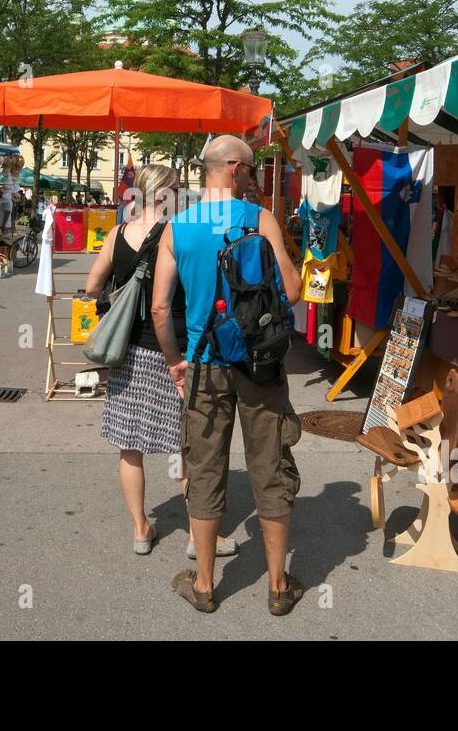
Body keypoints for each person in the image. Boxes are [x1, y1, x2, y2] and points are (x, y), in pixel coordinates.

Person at [152, 135, 304, 616]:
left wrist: (177, 359)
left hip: (203, 365)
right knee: (270, 467)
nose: (255, 177)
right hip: (259, 365)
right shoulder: (260, 220)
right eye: (253, 169)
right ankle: (278, 587)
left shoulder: (177, 227)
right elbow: (295, 292)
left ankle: (203, 584)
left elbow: (159, 308)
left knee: (205, 469)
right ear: (236, 169)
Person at [85, 165, 238, 561]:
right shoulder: (180, 233)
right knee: (188, 446)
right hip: (176, 352)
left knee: (129, 445)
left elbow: (91, 287)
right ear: (171, 193)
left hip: (126, 353)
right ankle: (197, 534)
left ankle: (140, 530)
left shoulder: (117, 234)